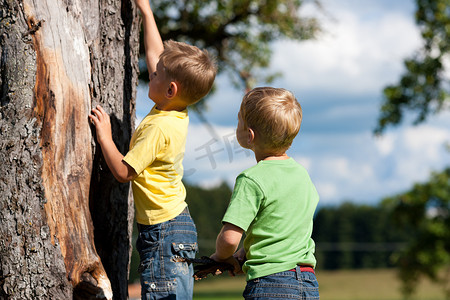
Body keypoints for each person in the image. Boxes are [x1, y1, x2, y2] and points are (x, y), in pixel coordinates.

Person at [89, 0, 217, 298]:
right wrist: (146, 12)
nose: (151, 71)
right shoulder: (175, 110)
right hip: (175, 226)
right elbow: (156, 54)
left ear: (171, 89)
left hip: (162, 233)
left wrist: (105, 137)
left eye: (156, 74)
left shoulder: (158, 128)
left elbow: (123, 172)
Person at [210, 87, 320, 300]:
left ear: (250, 135)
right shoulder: (302, 175)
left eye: (239, 121)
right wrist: (246, 253)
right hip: (307, 283)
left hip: (270, 284)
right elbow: (283, 228)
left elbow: (230, 239)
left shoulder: (251, 179)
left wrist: (221, 257)